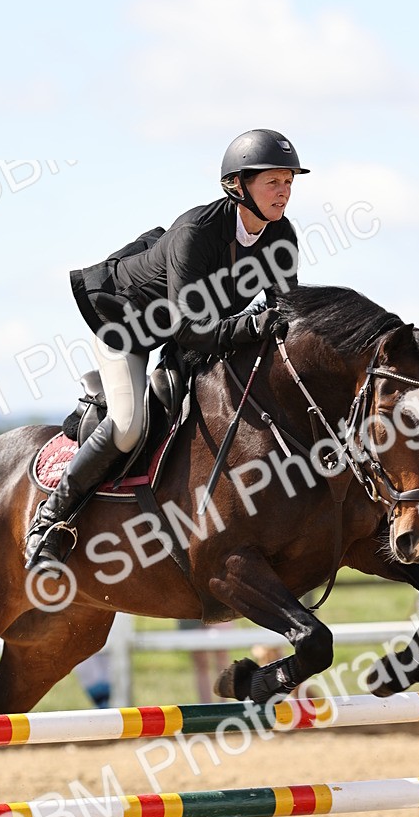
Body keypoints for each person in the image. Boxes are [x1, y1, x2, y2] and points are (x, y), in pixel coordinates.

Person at [25, 128, 310, 569]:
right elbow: (191, 331)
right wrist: (251, 324)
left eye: (288, 182)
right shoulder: (196, 233)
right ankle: (50, 519)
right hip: (128, 327)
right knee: (128, 426)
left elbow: (284, 312)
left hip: (192, 335)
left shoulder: (281, 236)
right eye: (273, 181)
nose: (284, 192)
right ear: (238, 185)